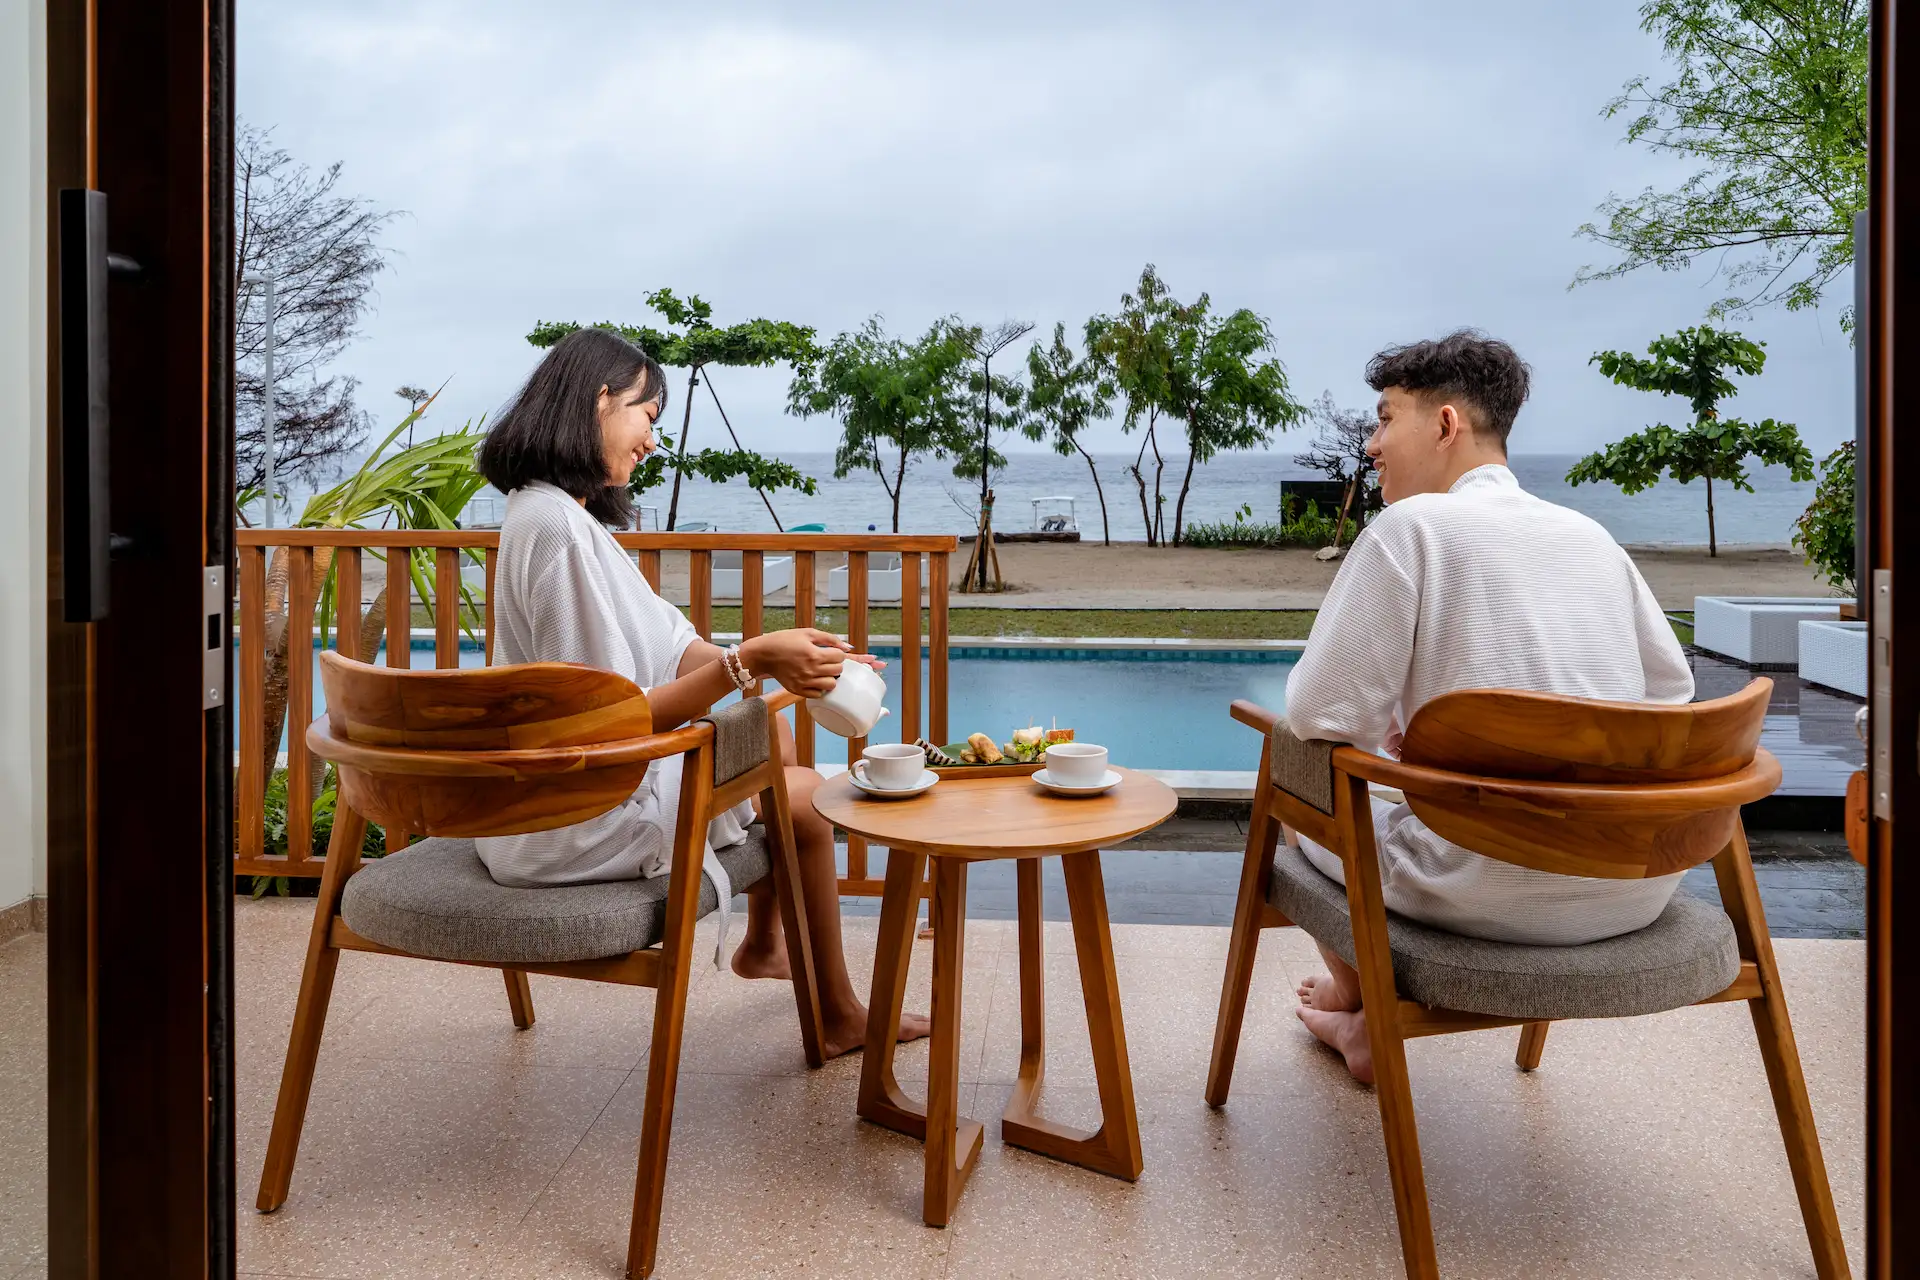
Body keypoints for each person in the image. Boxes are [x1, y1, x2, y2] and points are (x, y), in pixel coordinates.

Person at [475, 326, 928, 1058]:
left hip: (553, 796)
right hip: (569, 820)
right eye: (647, 415)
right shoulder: (554, 529)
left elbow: (675, 645)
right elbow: (606, 721)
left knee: (768, 729)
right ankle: (839, 1013)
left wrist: (782, 660)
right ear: (600, 400)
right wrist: (748, 662)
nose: (651, 441)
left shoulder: (562, 517)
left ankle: (766, 945)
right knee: (805, 801)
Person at [1282, 330, 1694, 1083]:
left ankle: (1357, 995)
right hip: (1633, 883)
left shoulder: (1409, 530)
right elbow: (1670, 700)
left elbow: (1319, 718)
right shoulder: (1591, 537)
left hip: (1474, 889)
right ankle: (1363, 1020)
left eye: (1385, 419)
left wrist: (1407, 743)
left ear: (1445, 424)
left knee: (1292, 782)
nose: (1372, 445)